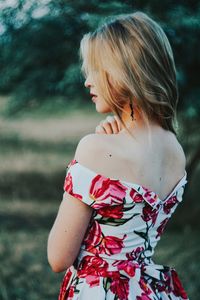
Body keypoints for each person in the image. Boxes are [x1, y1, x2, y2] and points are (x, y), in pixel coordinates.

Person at [47, 11, 189, 300]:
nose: (88, 81)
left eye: (97, 70)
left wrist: (95, 148)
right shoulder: (175, 149)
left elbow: (58, 257)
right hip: (151, 292)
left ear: (125, 71)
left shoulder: (94, 149)